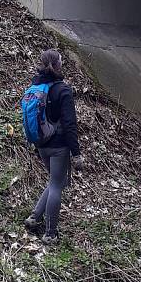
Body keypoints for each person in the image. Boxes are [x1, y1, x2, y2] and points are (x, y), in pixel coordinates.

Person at [24, 49, 82, 245]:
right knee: (58, 185)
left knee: (54, 181)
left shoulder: (36, 86)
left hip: (41, 144)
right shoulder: (62, 90)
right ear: (57, 65)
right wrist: (76, 153)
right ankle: (50, 234)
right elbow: (69, 123)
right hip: (59, 146)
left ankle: (34, 217)